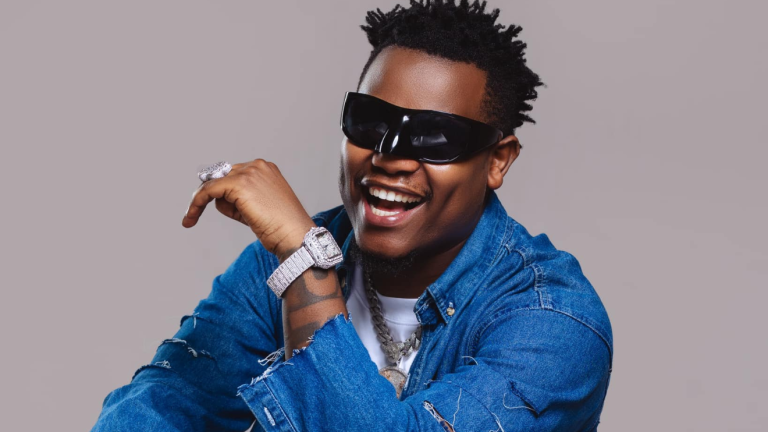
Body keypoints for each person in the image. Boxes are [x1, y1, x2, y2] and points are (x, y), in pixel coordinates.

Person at [91, 1, 612, 431]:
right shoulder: (269, 270)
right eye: (371, 121)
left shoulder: (555, 323)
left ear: (498, 161)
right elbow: (159, 406)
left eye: (435, 136)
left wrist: (306, 262)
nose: (389, 157)